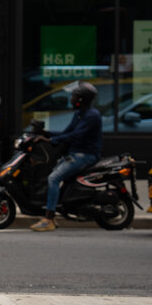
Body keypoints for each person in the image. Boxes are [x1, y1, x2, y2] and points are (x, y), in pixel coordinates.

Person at [30, 81, 103, 232]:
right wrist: (46, 134)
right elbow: (67, 132)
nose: (71, 98)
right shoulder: (80, 114)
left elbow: (76, 135)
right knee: (53, 176)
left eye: (74, 96)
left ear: (81, 99)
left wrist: (51, 140)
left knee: (54, 178)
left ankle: (48, 219)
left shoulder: (92, 116)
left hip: (85, 155)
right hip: (75, 153)